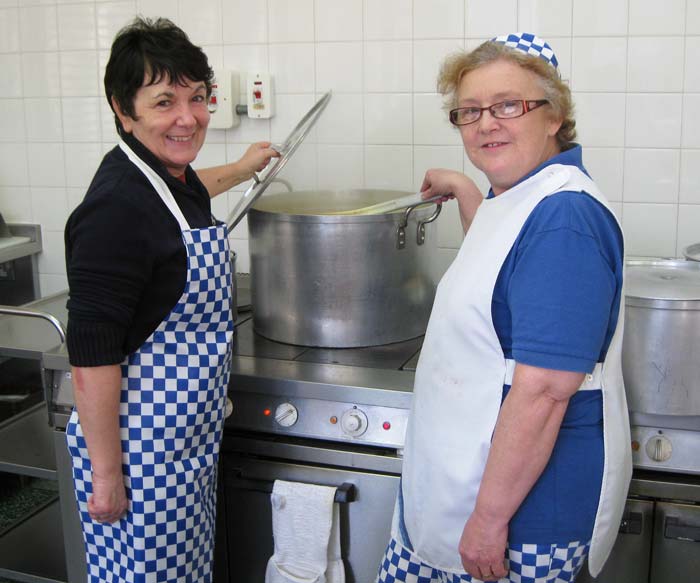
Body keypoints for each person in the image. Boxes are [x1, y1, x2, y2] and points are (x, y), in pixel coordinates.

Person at [377, 33, 632, 583]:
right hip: (459, 487)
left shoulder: (565, 220)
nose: (486, 123)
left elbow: (543, 389)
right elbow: (503, 265)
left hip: (521, 520)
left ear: (554, 115)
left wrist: (489, 521)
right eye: (470, 111)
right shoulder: (517, 193)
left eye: (508, 105)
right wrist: (466, 189)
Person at [63, 16, 278, 583]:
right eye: (164, 102)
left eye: (197, 97)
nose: (189, 117)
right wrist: (107, 475)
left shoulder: (159, 177)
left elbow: (184, 196)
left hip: (179, 447)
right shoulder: (114, 208)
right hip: (136, 456)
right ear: (122, 108)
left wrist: (243, 167)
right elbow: (91, 358)